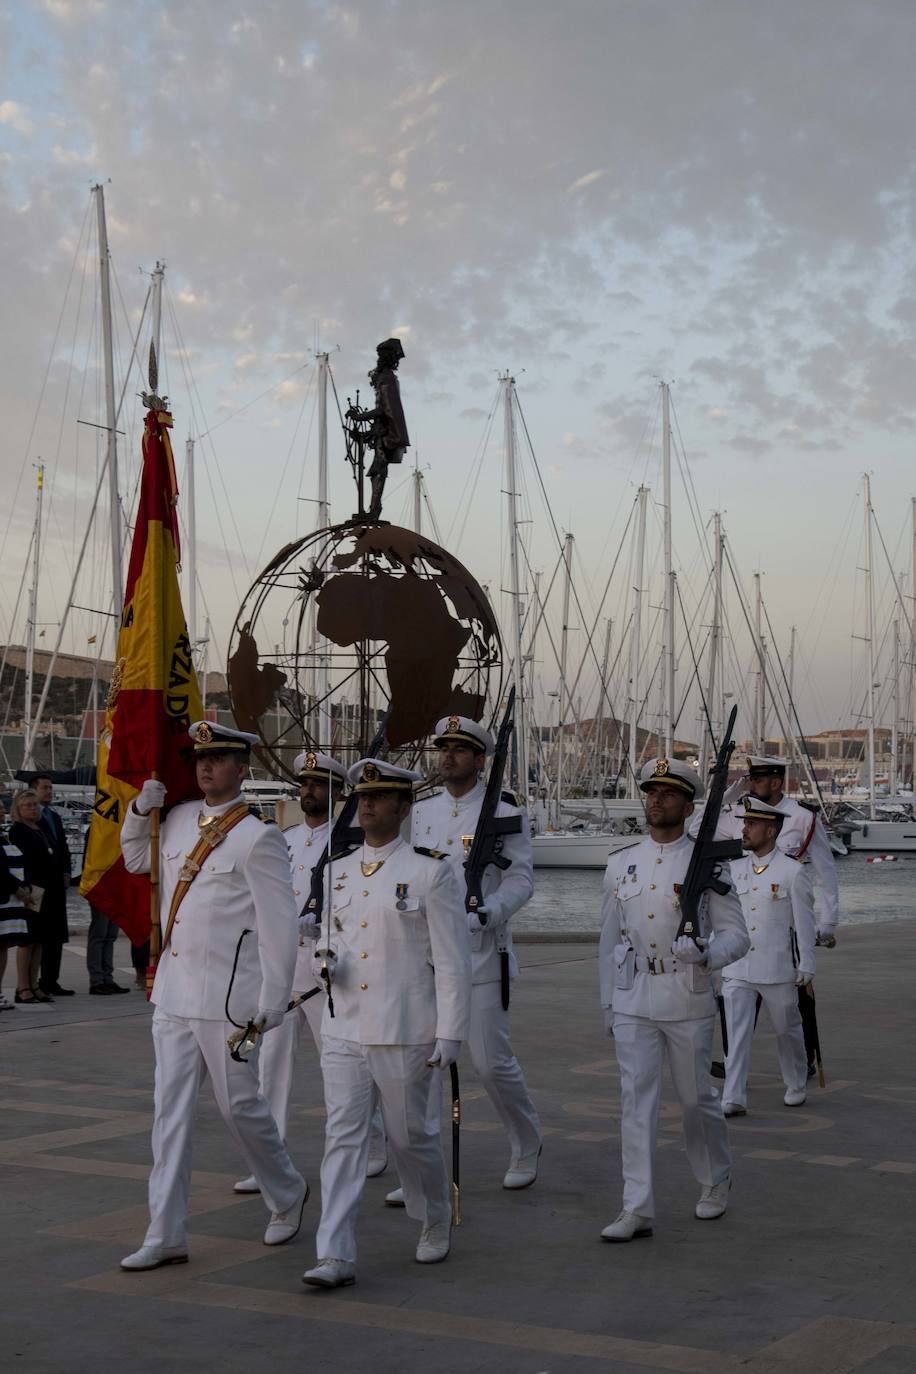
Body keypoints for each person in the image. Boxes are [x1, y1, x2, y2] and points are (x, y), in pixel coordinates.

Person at [118, 720, 308, 1272]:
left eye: (219, 760)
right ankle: (165, 1232)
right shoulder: (176, 819)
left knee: (239, 1107)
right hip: (174, 995)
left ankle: (287, 1190)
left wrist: (273, 1001)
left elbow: (278, 925)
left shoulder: (258, 837)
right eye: (200, 760)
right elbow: (135, 860)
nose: (205, 768)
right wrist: (137, 813)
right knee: (169, 1115)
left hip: (228, 1003)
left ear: (242, 768)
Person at [303, 758, 471, 1290]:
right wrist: (324, 958)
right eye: (362, 796)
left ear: (403, 808)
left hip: (405, 1026)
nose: (367, 804)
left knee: (410, 1137)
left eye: (379, 797)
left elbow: (451, 960)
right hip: (345, 1023)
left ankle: (434, 1214)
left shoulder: (431, 871)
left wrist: (451, 1032)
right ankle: (334, 1252)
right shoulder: (337, 869)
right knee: (343, 1140)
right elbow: (328, 937)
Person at [598, 757, 749, 1243]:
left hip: (687, 993)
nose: (656, 800)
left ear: (688, 804)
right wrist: (608, 1002)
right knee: (635, 1103)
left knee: (695, 1100)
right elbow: (607, 940)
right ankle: (635, 1205)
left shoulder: (707, 860)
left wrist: (707, 952)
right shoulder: (622, 862)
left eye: (667, 793)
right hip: (634, 994)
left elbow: (737, 935)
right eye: (650, 792)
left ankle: (715, 1178)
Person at [397, 713, 541, 1196]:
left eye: (459, 749)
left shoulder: (503, 810)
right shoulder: (419, 812)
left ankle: (525, 1141)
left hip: (480, 953)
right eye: (443, 748)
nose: (447, 756)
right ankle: (422, 1165)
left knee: (490, 1063)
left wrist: (490, 912)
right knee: (420, 1065)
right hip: (425, 954)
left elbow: (521, 879)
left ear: (480, 760)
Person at [233, 750, 361, 1194]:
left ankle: (368, 1145)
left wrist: (323, 924)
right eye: (306, 784)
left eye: (320, 784)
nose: (309, 791)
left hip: (328, 965)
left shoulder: (353, 844)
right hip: (281, 962)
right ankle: (272, 1157)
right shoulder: (282, 838)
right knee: (272, 1063)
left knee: (339, 1060)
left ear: (339, 793)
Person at [721, 797, 816, 1116]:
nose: (744, 829)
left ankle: (796, 1082)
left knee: (786, 1029)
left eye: (751, 824)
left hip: (776, 969)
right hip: (737, 967)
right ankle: (733, 1094)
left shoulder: (792, 871)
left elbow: (804, 922)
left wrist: (807, 964)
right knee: (736, 1033)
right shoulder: (734, 869)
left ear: (771, 831)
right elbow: (723, 919)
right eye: (745, 823)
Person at [9, 788, 68, 1003]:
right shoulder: (18, 831)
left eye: (35, 805)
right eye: (28, 805)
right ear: (18, 809)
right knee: (28, 940)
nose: (33, 808)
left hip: (50, 890)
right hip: (33, 890)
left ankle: (35, 984)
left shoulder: (40, 828)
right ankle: (22, 986)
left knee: (41, 940)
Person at [33, 774, 75, 996]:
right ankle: (35, 981)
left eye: (51, 788)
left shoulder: (55, 817)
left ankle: (51, 979)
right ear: (35, 790)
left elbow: (63, 848)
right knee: (41, 935)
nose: (49, 792)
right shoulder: (32, 819)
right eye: (45, 788)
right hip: (41, 885)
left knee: (57, 935)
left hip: (58, 884)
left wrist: (67, 871)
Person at [0, 803, 31, 1010]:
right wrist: (17, 888)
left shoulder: (4, 836)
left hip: (11, 902)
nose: (1, 812)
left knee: (2, 947)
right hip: (5, 898)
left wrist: (25, 886)